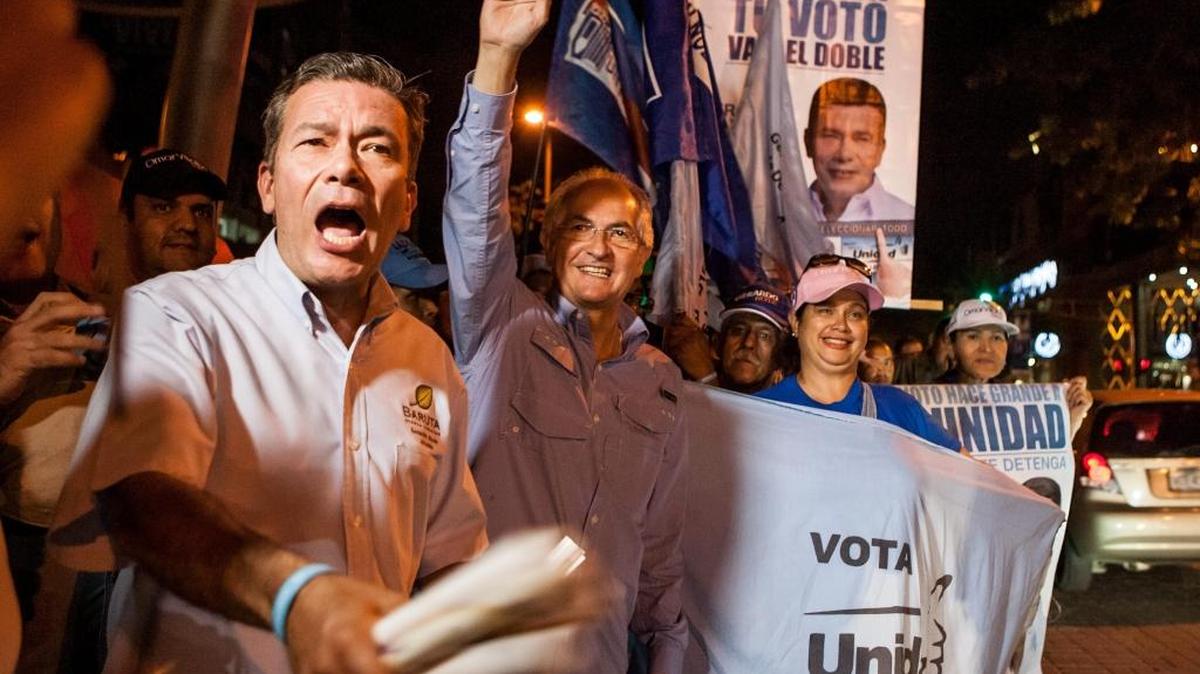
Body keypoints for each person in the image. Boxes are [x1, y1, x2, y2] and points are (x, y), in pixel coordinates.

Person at [49, 48, 491, 673]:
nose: (346, 167)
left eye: (376, 148)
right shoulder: (176, 313)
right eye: (315, 142)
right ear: (267, 186)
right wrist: (297, 598)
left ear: (408, 202)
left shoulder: (429, 361)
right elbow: (143, 498)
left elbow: (449, 556)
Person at [441, 1, 687, 670]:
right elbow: (473, 212)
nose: (598, 248)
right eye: (580, 227)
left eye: (620, 233)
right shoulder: (501, 323)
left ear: (644, 254)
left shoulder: (662, 382)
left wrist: (668, 653)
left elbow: (657, 546)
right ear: (550, 242)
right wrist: (498, 57)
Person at [757, 255, 959, 451]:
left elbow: (966, 470)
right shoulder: (757, 413)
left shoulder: (901, 408)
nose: (841, 325)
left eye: (855, 314)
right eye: (825, 310)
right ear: (796, 322)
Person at [936, 298, 1092, 436]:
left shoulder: (1019, 405)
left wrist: (1072, 419)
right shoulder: (926, 405)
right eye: (973, 336)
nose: (987, 348)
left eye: (996, 338)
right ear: (950, 345)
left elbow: (1035, 456)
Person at [804, 78, 912, 223]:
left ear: (880, 150)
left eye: (862, 139)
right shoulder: (778, 217)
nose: (844, 154)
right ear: (808, 143)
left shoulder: (909, 219)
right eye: (830, 136)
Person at [118, 149, 227, 284]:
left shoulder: (232, 292)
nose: (189, 224)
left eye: (202, 213)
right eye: (164, 208)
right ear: (125, 219)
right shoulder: (103, 296)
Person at [664, 283, 791, 394]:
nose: (748, 343)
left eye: (764, 336)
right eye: (738, 331)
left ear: (779, 357)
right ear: (717, 344)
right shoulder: (680, 388)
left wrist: (707, 378)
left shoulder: (791, 409)